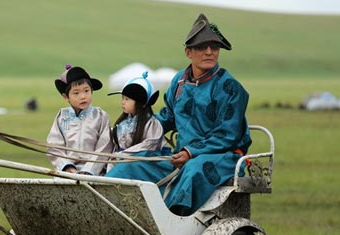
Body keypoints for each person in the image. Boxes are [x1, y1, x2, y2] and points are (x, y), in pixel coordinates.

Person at [107, 13, 252, 216]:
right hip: (181, 157)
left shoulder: (230, 88)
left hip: (221, 158)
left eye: (214, 47)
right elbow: (167, 117)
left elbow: (227, 136)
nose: (209, 52)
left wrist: (190, 152)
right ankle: (119, 215)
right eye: (202, 47)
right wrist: (133, 128)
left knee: (193, 170)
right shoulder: (179, 82)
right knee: (132, 163)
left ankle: (168, 222)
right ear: (188, 52)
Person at [47, 64, 113, 175]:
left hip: (94, 173)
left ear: (92, 91)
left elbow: (104, 147)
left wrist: (88, 171)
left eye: (86, 91)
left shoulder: (101, 116)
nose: (83, 96)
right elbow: (54, 146)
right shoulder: (62, 116)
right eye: (76, 93)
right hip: (66, 173)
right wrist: (67, 167)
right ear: (66, 97)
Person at [106, 72, 166, 172]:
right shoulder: (122, 123)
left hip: (140, 165)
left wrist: (123, 155)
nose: (123, 102)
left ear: (142, 104)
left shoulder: (152, 124)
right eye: (122, 98)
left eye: (127, 99)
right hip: (119, 162)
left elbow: (149, 145)